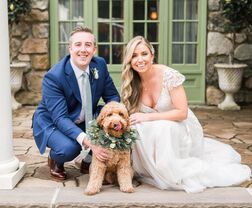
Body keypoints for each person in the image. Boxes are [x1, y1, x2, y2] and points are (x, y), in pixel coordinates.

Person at [121, 36, 251, 193]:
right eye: (134, 56)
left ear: (152, 55)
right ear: (129, 60)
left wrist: (147, 117)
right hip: (155, 130)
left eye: (144, 54)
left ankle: (169, 171)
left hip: (179, 125)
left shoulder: (169, 76)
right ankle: (148, 169)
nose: (139, 60)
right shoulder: (132, 82)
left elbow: (182, 113)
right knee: (135, 128)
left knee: (163, 128)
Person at [32, 25, 120, 180]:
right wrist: (89, 141)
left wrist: (114, 118)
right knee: (69, 148)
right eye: (78, 44)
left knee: (111, 120)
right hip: (53, 121)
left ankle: (87, 161)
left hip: (84, 117)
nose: (83, 49)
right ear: (70, 49)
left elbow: (112, 97)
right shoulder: (54, 77)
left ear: (94, 49)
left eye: (88, 45)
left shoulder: (99, 65)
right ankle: (55, 159)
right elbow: (60, 118)